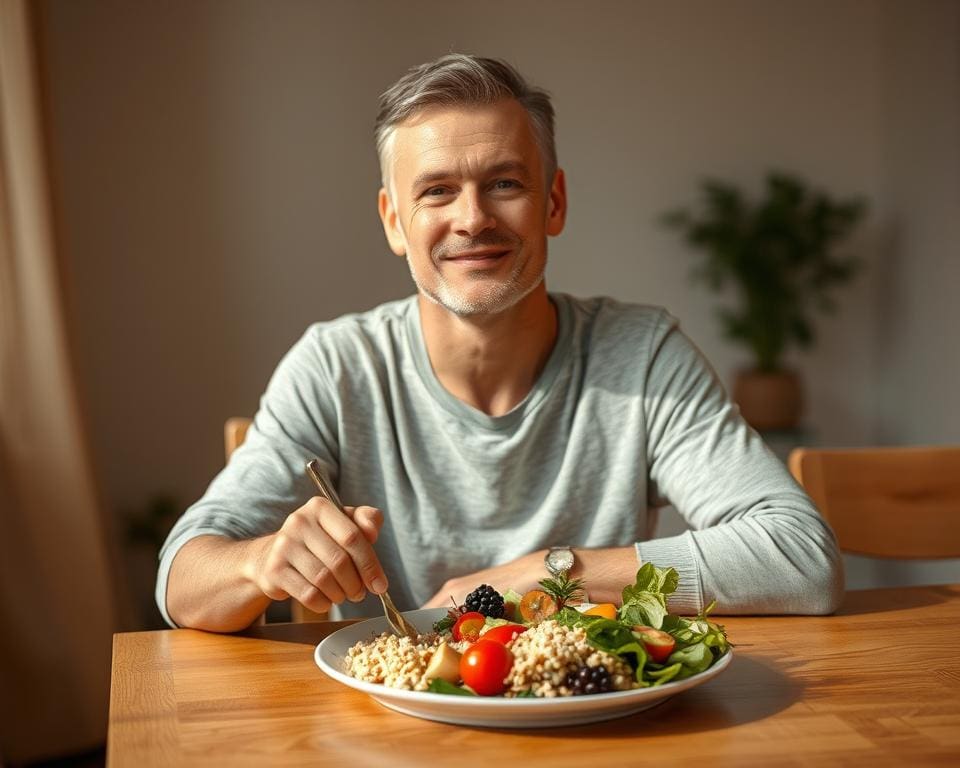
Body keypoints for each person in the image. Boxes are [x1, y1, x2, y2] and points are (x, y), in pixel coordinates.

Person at [157, 54, 843, 632]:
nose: (472, 218)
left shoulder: (642, 355)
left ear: (554, 203)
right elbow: (180, 579)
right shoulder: (336, 366)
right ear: (394, 221)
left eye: (504, 183)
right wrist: (261, 561)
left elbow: (801, 560)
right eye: (436, 191)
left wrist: (546, 572)